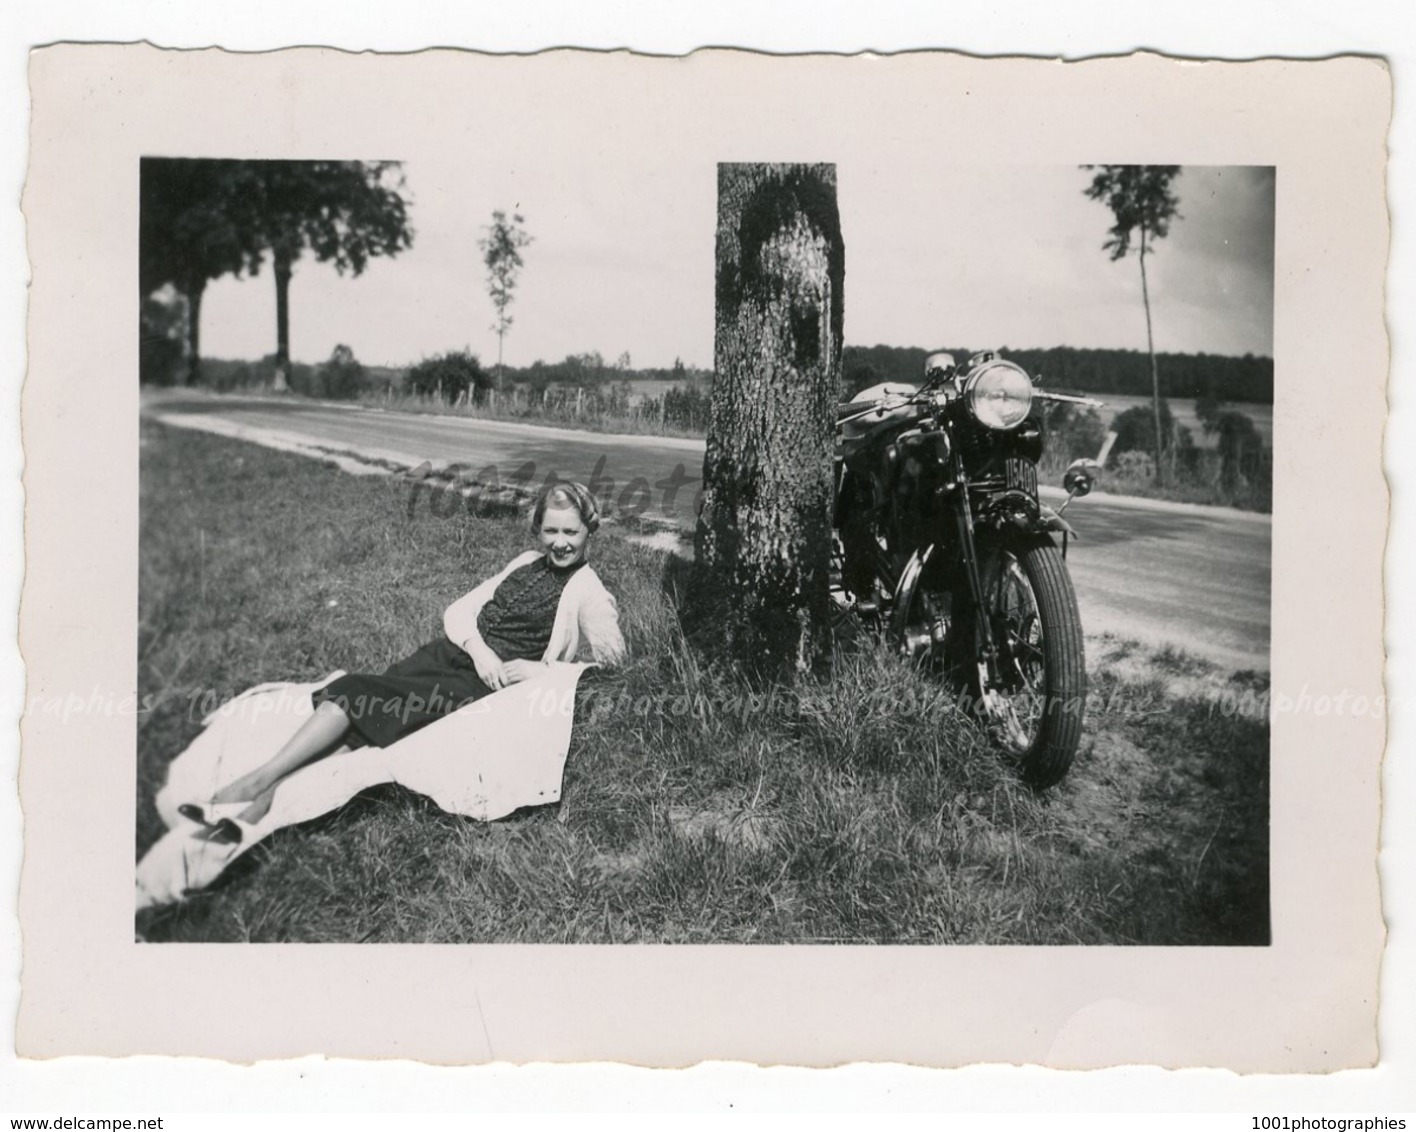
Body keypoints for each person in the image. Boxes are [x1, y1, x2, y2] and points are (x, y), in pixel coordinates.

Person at [179, 480, 625, 835]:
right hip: (448, 656)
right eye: (551, 530)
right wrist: (479, 649)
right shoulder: (524, 561)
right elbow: (459, 612)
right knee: (361, 721)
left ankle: (259, 786)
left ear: (590, 531)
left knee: (356, 699)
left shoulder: (588, 591)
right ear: (538, 530)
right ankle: (258, 807)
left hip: (473, 688)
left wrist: (540, 670)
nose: (560, 543)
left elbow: (614, 665)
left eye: (571, 532)